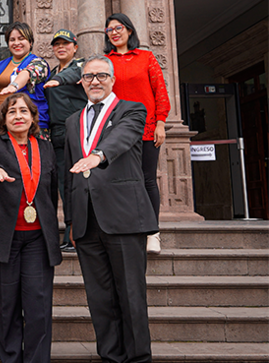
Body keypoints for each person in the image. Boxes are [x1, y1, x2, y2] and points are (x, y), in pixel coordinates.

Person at [64, 55, 158, 363]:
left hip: (124, 218)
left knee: (131, 295)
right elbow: (69, 174)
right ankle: (111, 357)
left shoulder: (131, 110)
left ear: (112, 79)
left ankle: (138, 358)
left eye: (101, 76)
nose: (95, 81)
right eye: (89, 76)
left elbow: (122, 138)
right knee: (99, 298)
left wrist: (99, 155)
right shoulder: (72, 120)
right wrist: (71, 221)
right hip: (87, 222)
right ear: (81, 82)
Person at [0, 93, 62, 363]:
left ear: (33, 117)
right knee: (8, 304)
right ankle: (10, 357)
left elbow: (52, 189)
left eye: (24, 111)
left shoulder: (44, 146)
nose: (18, 116)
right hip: (3, 239)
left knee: (38, 306)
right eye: (12, 112)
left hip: (37, 239)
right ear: (4, 119)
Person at [104, 13, 170, 254]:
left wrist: (161, 123)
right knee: (119, 181)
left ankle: (153, 233)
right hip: (116, 132)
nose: (114, 32)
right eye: (109, 29)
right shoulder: (105, 61)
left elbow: (160, 92)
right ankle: (127, 228)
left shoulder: (146, 57)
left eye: (118, 27)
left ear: (129, 31)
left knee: (147, 179)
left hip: (147, 129)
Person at [43, 29, 88, 253]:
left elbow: (72, 76)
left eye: (66, 44)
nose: (61, 47)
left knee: (78, 184)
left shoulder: (81, 66)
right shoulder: (52, 71)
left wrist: (57, 81)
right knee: (63, 185)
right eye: (57, 44)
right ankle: (70, 231)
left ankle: (78, 233)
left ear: (75, 47)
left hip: (77, 134)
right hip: (57, 135)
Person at [0, 22, 50, 135]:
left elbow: (27, 73)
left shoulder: (39, 63)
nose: (16, 43)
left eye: (21, 39)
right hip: (3, 124)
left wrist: (14, 86)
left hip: (31, 125)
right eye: (12, 40)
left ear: (30, 42)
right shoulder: (1, 64)